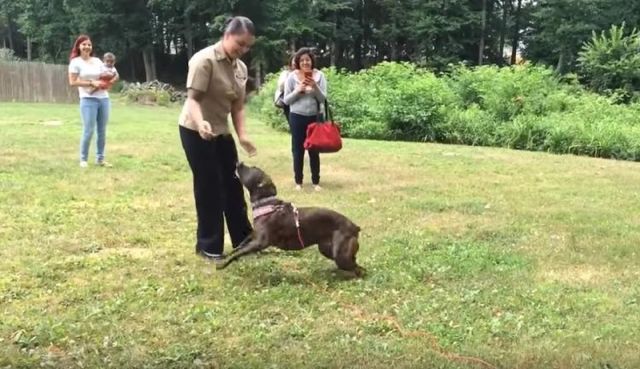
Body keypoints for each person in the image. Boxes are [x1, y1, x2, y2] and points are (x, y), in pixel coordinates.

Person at [178, 16, 257, 262]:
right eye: (239, 43)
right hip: (195, 130)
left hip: (222, 132)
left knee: (233, 185)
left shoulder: (240, 68)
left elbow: (238, 107)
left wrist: (242, 135)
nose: (242, 50)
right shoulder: (204, 61)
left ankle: (244, 239)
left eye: (247, 46)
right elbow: (193, 99)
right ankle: (208, 245)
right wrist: (201, 122)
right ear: (226, 35)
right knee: (209, 187)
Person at [283, 47, 327, 191]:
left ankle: (316, 181)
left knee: (314, 150)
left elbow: (323, 99)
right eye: (301, 60)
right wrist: (298, 90)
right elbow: (286, 100)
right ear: (298, 62)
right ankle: (298, 182)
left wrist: (315, 87)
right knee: (298, 150)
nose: (305, 63)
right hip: (297, 116)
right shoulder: (291, 77)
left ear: (312, 61)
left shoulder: (320, 76)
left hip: (314, 117)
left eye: (307, 60)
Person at [68, 35, 113, 168]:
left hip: (103, 99)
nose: (87, 46)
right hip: (88, 100)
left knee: (102, 130)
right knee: (88, 130)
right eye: (84, 44)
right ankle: (83, 159)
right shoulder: (75, 62)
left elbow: (105, 74)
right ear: (79, 47)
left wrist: (108, 80)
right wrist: (91, 83)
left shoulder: (98, 61)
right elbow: (72, 82)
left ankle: (100, 159)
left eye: (89, 44)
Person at [274, 56, 295, 123]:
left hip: (299, 103)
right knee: (292, 123)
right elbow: (281, 87)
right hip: (287, 102)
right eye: (294, 61)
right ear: (291, 63)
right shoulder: (285, 73)